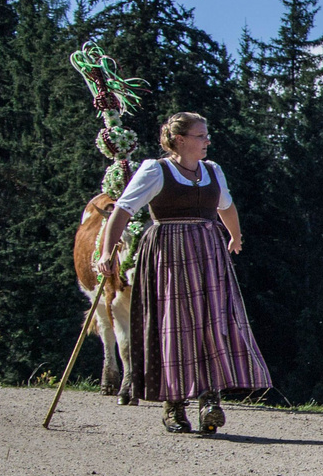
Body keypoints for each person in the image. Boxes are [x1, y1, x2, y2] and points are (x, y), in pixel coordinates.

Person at [96, 112, 270, 433]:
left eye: (206, 135)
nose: (207, 141)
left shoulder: (212, 171)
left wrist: (234, 235)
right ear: (179, 139)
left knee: (213, 321)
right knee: (175, 325)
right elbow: (122, 210)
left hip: (208, 253)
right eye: (200, 135)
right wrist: (107, 251)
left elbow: (226, 206)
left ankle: (210, 399)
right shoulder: (155, 171)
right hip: (170, 254)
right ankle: (173, 405)